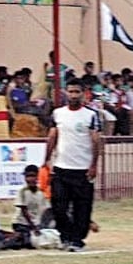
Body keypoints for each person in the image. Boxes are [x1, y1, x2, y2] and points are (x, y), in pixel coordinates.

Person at [43, 77, 102, 252]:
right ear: (66, 93)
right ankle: (65, 236)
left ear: (84, 94)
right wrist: (46, 159)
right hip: (61, 168)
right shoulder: (58, 113)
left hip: (82, 170)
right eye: (71, 91)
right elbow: (53, 136)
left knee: (81, 208)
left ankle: (77, 240)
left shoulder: (91, 115)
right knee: (58, 206)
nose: (74, 95)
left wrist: (93, 165)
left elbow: (95, 140)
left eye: (77, 92)